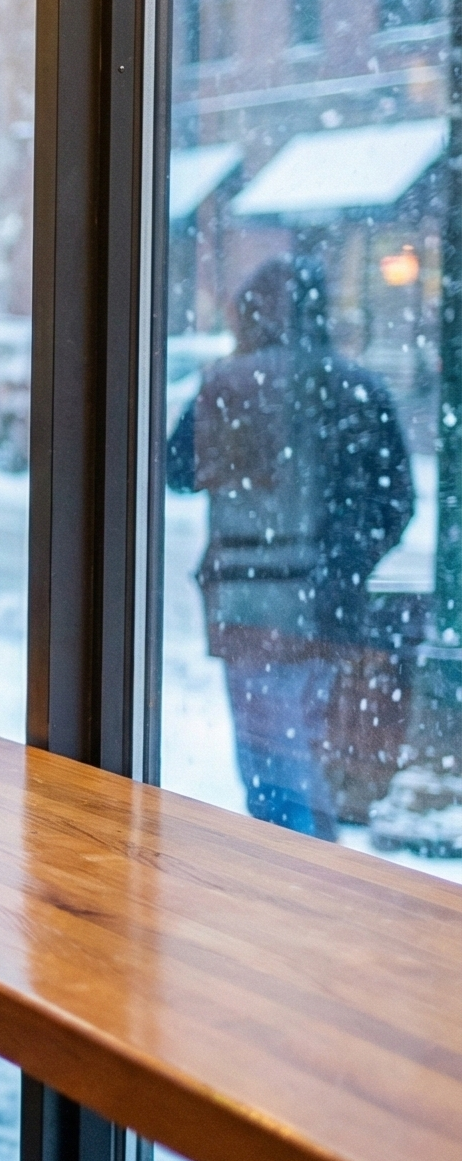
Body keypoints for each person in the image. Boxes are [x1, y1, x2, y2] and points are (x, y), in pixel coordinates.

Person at [167, 254, 413, 838]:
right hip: (328, 609)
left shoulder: (228, 383)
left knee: (269, 760)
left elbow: (177, 469)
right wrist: (342, 567)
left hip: (247, 601)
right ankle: (317, 870)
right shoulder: (358, 385)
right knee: (315, 751)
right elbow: (394, 502)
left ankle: (290, 875)